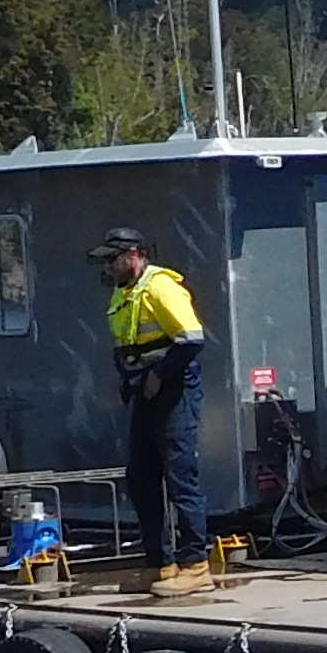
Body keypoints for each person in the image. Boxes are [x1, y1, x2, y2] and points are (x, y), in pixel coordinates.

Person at [93, 226, 213, 585]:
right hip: (143, 393)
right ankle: (159, 563)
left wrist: (159, 375)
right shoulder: (124, 292)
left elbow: (191, 340)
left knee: (180, 475)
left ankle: (195, 564)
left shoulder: (160, 287)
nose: (108, 267)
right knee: (142, 478)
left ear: (133, 255)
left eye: (112, 260)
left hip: (174, 390)